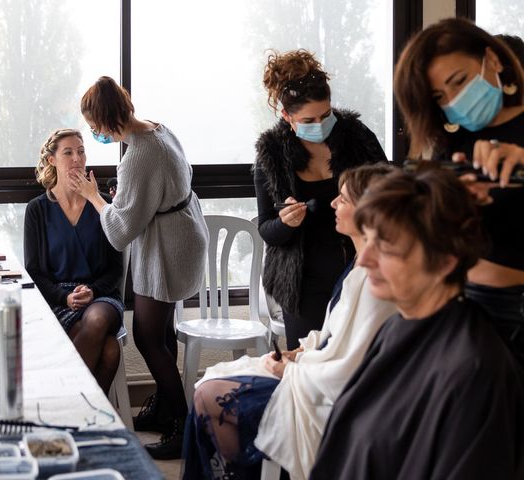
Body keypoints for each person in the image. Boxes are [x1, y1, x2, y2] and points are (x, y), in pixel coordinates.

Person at [183, 163, 397, 480]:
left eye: (344, 199)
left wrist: (291, 370)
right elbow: (333, 337)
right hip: (312, 368)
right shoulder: (357, 266)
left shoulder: (376, 281)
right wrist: (295, 354)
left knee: (208, 395)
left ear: (370, 212)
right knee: (210, 382)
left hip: (326, 394)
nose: (334, 204)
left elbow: (353, 368)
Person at [310, 169, 524, 479]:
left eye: (385, 247)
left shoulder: (475, 372)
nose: (365, 258)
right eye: (367, 239)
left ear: (444, 261)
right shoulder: (397, 327)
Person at [73, 76, 208, 460]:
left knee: (148, 337)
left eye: (94, 127)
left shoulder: (137, 157)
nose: (94, 134)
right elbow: (162, 186)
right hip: (182, 232)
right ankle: (167, 407)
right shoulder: (158, 130)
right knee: (162, 332)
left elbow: (118, 231)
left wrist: (95, 198)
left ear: (104, 120)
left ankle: (183, 427)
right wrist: (130, 198)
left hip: (169, 246)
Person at [394, 18, 524, 366]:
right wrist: (450, 203)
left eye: (460, 82)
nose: (455, 101)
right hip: (464, 303)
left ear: (493, 60)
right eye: (440, 96)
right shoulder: (451, 145)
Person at [254, 49, 387, 350]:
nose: (321, 124)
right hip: (302, 282)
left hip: (362, 268)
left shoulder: (355, 136)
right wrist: (286, 223)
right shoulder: (272, 154)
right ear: (286, 116)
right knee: (307, 363)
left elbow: (390, 191)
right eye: (309, 119)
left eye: (326, 115)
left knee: (362, 360)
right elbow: (266, 229)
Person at [24, 128, 124, 394]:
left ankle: (60, 399)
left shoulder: (100, 205)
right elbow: (34, 272)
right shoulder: (37, 210)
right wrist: (63, 297)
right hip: (60, 299)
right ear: (52, 160)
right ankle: (91, 421)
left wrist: (94, 291)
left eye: (81, 151)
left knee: (96, 321)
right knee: (110, 350)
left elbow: (116, 269)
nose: (77, 158)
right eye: (68, 152)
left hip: (101, 297)